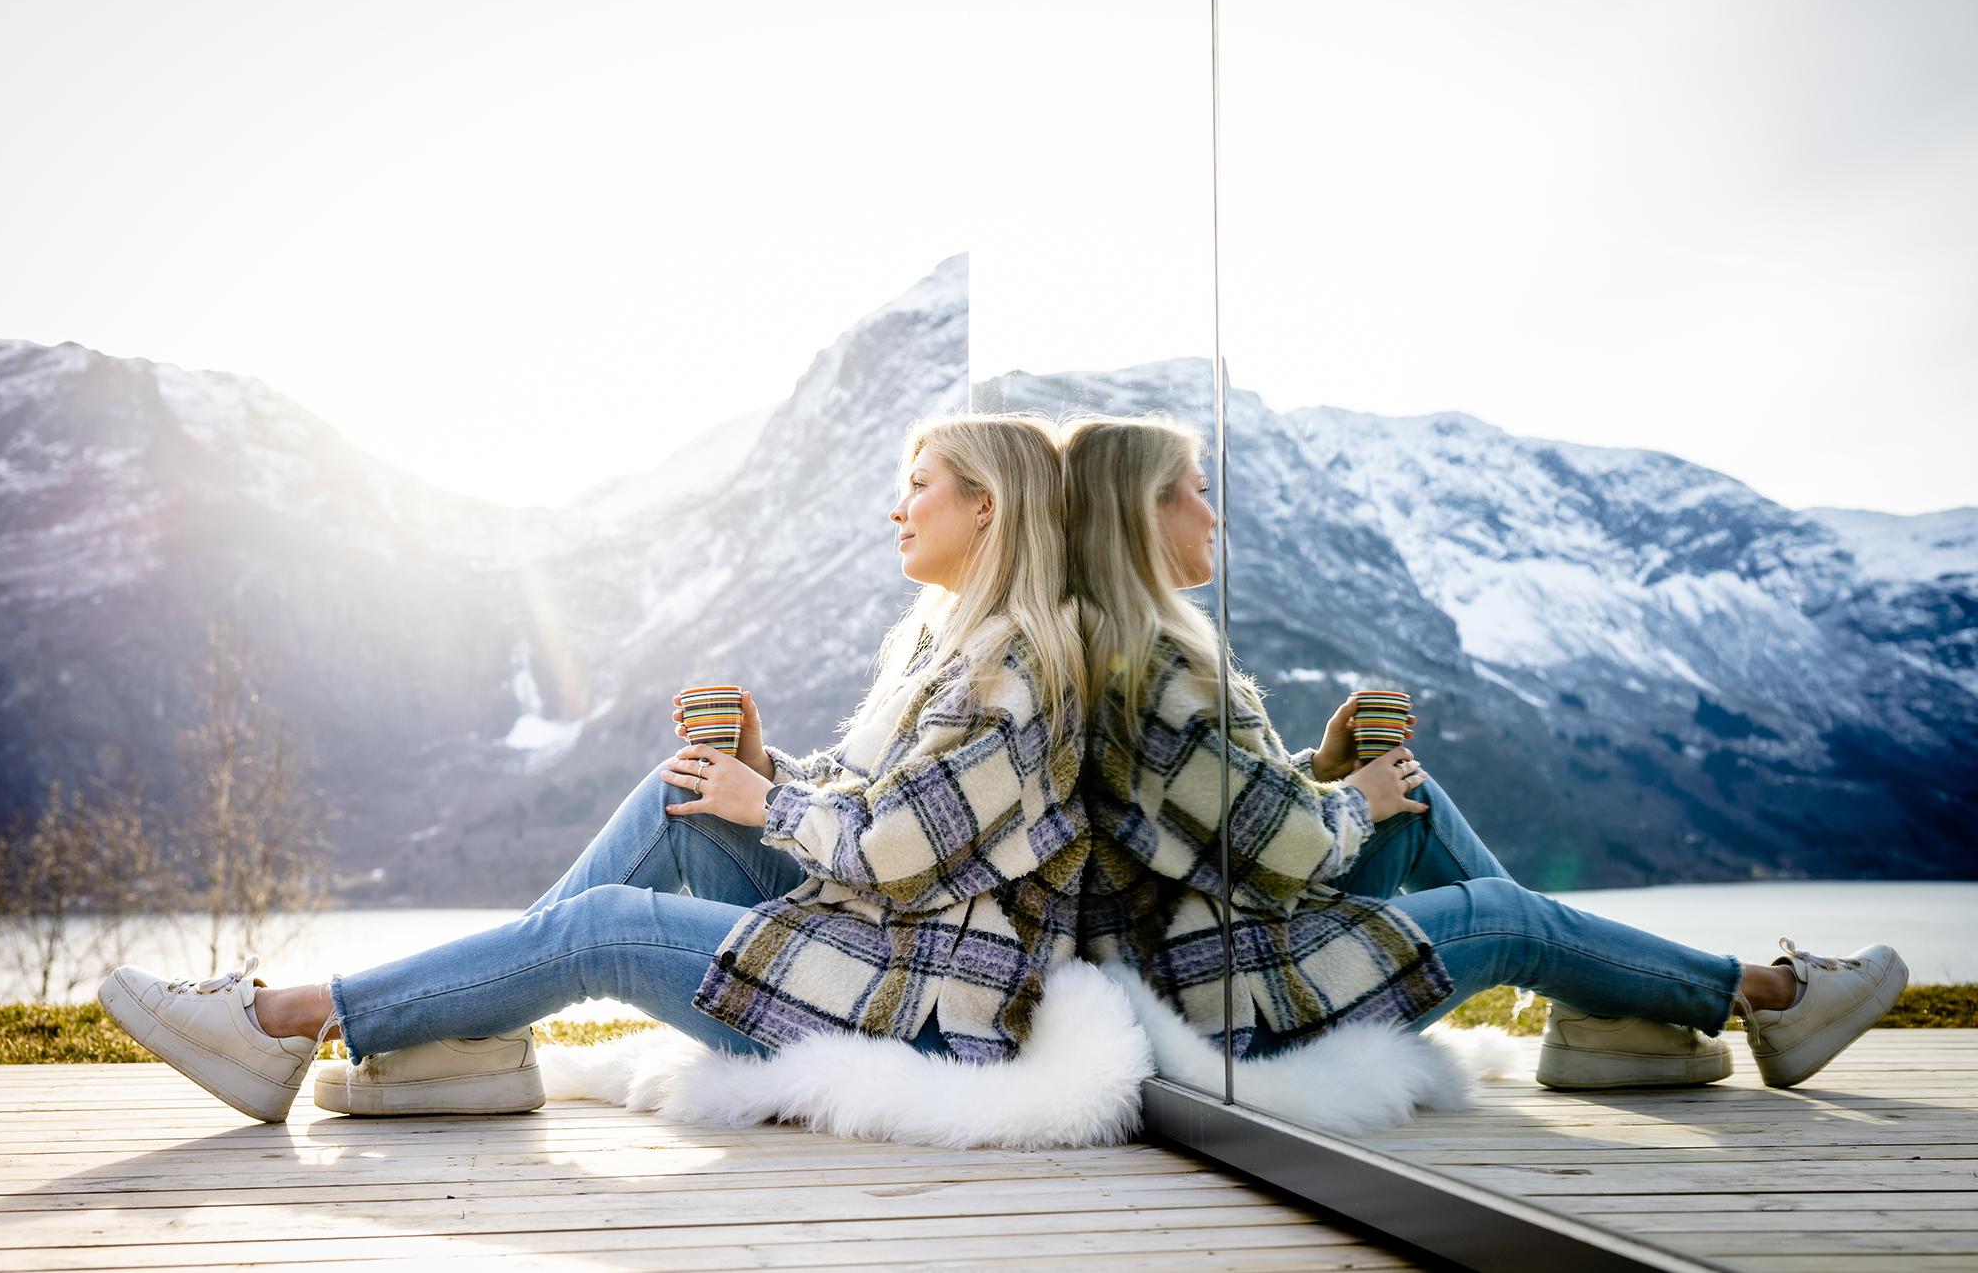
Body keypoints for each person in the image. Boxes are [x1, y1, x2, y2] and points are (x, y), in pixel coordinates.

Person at [98, 412, 1090, 1123]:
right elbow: (873, 801)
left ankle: (285, 1018)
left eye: (918, 485)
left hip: (910, 1016)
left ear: (988, 507)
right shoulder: (942, 645)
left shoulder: (1017, 672)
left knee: (602, 927)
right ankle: (475, 1039)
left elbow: (893, 849)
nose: (898, 509)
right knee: (683, 798)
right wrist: (759, 768)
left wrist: (769, 800)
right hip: (873, 951)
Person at [1059, 413, 1907, 1092]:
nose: (1215, 513)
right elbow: (1274, 846)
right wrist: (1356, 801)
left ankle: (1596, 1016)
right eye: (1199, 492)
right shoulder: (1155, 667)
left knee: (1417, 804)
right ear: (1143, 511)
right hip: (1235, 1001)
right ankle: (1773, 997)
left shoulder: (1129, 648)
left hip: (1220, 951)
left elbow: (1210, 824)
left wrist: (1323, 768)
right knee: (1502, 915)